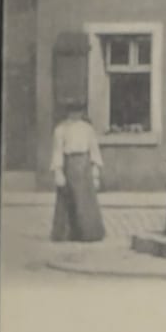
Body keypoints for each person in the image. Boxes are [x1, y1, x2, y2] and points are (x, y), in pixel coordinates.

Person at [49, 99, 105, 243]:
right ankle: (66, 234)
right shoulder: (61, 129)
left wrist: (95, 171)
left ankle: (89, 234)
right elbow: (57, 151)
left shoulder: (87, 129)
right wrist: (58, 172)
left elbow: (94, 149)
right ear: (68, 112)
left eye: (79, 111)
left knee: (86, 200)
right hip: (69, 165)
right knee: (67, 199)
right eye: (73, 111)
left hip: (84, 165)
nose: (76, 115)